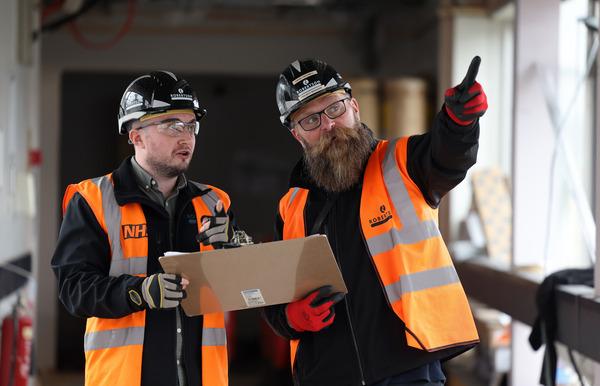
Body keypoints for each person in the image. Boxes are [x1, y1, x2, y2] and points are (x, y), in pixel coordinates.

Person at [263, 57, 488, 386]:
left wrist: (459, 121)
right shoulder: (291, 207)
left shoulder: (403, 164)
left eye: (335, 109)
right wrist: (289, 318)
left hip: (408, 369)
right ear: (297, 135)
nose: (328, 125)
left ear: (354, 107)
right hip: (325, 375)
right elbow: (275, 299)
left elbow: (447, 153)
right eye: (310, 120)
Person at [52, 71, 237, 386]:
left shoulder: (214, 202)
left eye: (191, 125)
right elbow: (73, 290)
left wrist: (236, 246)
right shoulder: (93, 200)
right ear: (135, 135)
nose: (186, 137)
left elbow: (238, 287)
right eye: (171, 126)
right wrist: (138, 292)